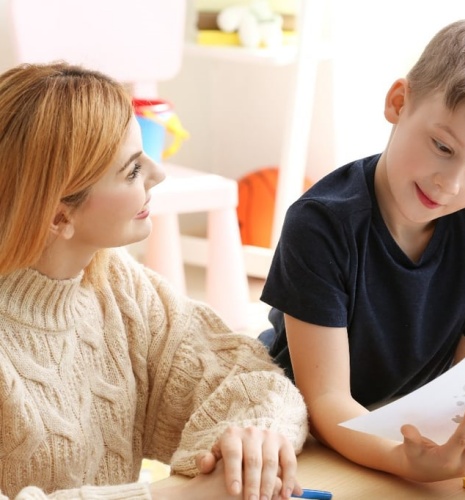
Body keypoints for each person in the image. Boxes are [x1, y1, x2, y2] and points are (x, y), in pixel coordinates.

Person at [259, 19, 465, 482]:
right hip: (307, 423)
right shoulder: (321, 223)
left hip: (405, 421)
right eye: (442, 147)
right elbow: (326, 399)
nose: (449, 184)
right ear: (398, 103)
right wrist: (402, 460)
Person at [0, 62, 308, 500]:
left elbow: (253, 379)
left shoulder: (117, 283)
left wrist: (252, 439)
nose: (158, 174)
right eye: (131, 171)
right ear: (58, 216)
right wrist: (181, 496)